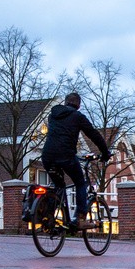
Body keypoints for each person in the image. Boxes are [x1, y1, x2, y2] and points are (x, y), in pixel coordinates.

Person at [41, 92, 110, 228]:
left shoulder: (52, 116)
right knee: (80, 183)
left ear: (65, 103)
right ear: (78, 106)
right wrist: (105, 152)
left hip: (47, 156)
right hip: (66, 156)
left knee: (59, 186)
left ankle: (48, 216)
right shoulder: (77, 117)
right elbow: (93, 134)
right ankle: (80, 218)